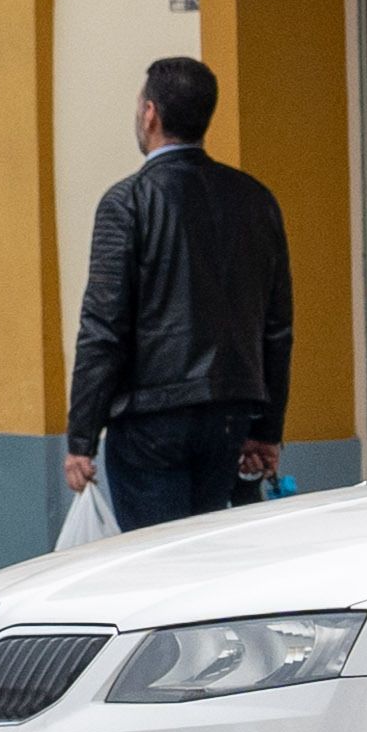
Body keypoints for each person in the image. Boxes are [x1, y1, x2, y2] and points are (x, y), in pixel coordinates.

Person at [62, 55, 296, 530]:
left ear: (150, 113)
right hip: (229, 417)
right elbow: (278, 327)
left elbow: (103, 327)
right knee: (208, 558)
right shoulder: (256, 199)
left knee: (156, 564)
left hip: (150, 422)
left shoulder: (126, 203)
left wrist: (81, 437)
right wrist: (266, 430)